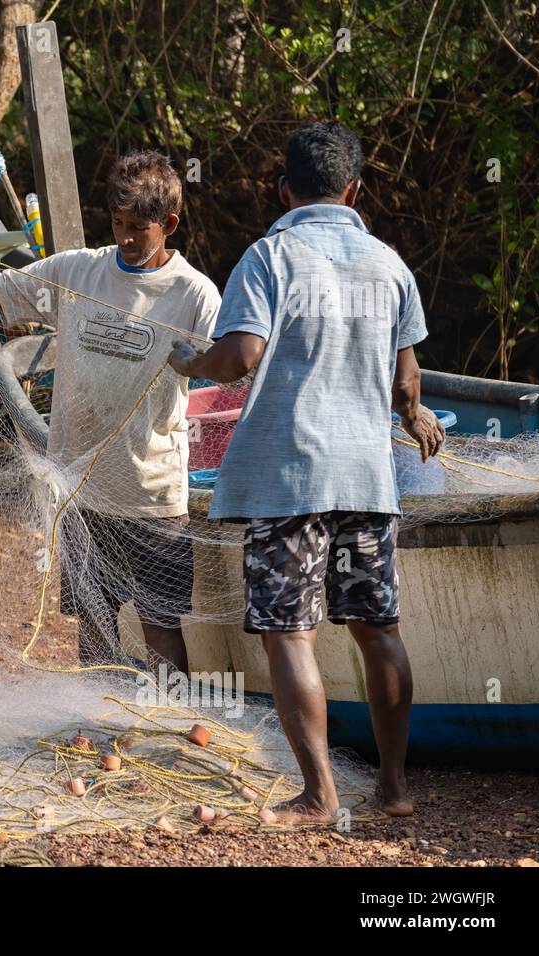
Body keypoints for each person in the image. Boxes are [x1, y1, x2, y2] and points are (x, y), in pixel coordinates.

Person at [167, 122, 445, 822]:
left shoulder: (270, 255)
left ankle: (319, 794)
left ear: (284, 188)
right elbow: (405, 384)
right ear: (353, 190)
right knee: (377, 627)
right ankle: (393, 789)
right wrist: (413, 419)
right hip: (367, 477)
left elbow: (239, 357)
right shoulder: (389, 265)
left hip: (290, 476)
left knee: (290, 632)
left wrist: (189, 361)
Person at [0, 150, 220, 673]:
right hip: (81, 494)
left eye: (139, 227)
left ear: (171, 224)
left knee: (162, 626)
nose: (126, 239)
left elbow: (230, 367)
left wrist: (208, 361)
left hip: (153, 496)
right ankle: (94, 730)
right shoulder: (77, 271)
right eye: (118, 224)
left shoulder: (195, 295)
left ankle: (169, 729)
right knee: (92, 620)